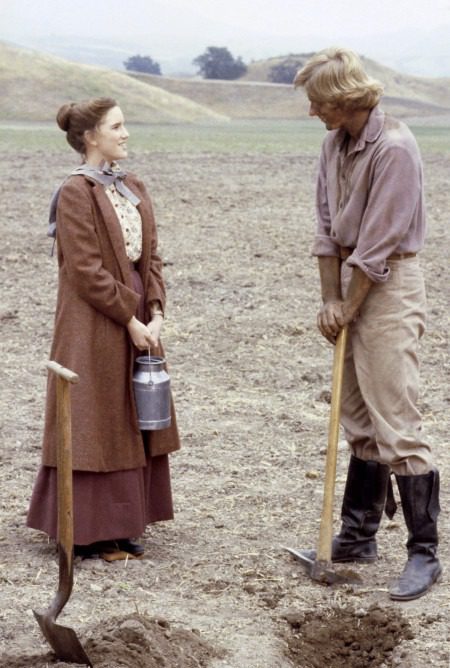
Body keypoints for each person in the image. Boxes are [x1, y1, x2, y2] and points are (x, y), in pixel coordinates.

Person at [293, 48, 441, 600]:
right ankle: (358, 538)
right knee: (357, 418)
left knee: (396, 419)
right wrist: (330, 299)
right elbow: (327, 229)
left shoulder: (396, 148)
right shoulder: (333, 145)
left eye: (317, 102)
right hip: (353, 286)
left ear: (344, 99)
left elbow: (377, 248)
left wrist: (349, 306)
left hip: (390, 286)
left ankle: (425, 555)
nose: (312, 112)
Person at [27, 97, 180, 560]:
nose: (126, 133)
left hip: (135, 314)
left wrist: (155, 310)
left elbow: (150, 254)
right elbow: (86, 270)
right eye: (117, 126)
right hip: (93, 321)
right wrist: (130, 319)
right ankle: (88, 529)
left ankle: (125, 522)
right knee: (97, 416)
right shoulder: (76, 191)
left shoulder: (132, 185)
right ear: (91, 136)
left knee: (132, 412)